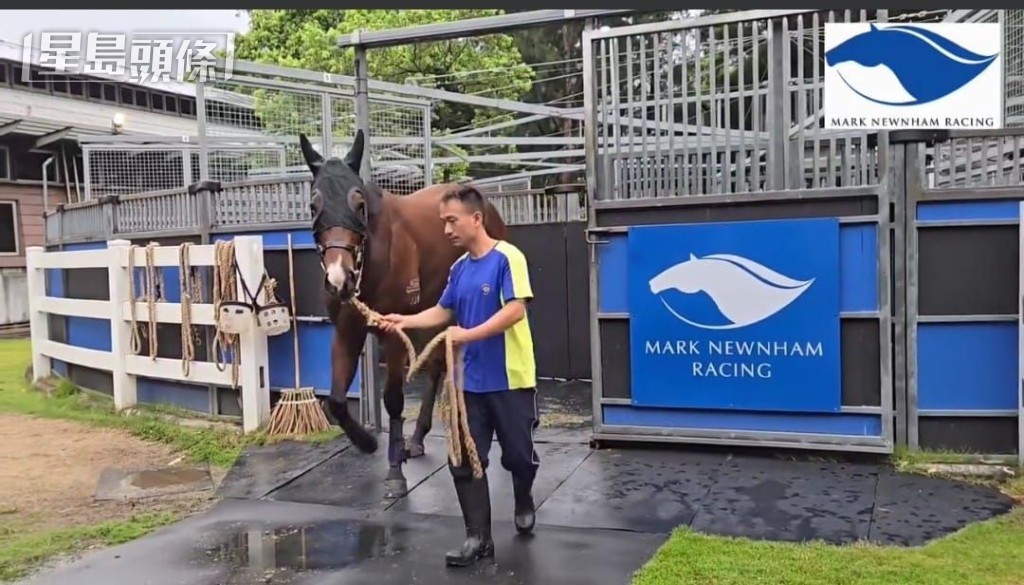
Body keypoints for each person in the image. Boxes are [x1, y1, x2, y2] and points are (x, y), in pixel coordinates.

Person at [378, 185, 539, 568]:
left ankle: (523, 494)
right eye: (443, 222)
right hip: (468, 382)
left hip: (510, 379)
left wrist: (468, 334)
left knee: (518, 456)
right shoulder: (458, 268)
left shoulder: (507, 258)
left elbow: (515, 310)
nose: (446, 230)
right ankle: (477, 539)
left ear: (476, 219)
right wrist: (405, 319)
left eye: (452, 221)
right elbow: (443, 310)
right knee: (464, 460)